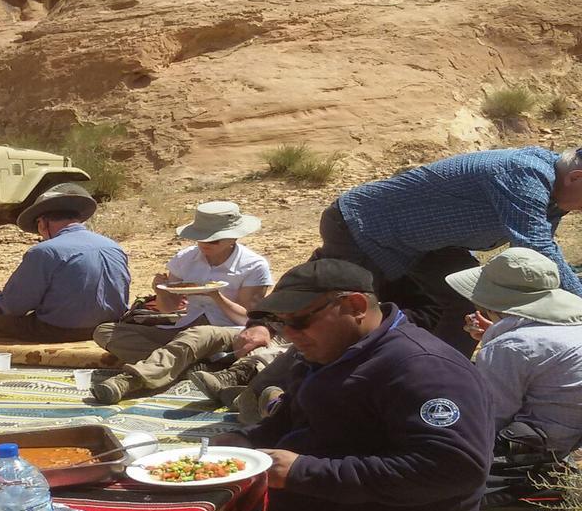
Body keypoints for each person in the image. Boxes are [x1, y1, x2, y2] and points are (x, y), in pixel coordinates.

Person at [216, 259, 492, 511]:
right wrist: (236, 444)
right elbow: (285, 423)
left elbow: (451, 468)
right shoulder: (328, 352)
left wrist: (303, 472)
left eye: (300, 321)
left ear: (356, 306)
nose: (291, 334)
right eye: (282, 324)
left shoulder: (424, 369)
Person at [234, 146, 582, 359]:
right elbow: (538, 247)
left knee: (461, 300)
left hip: (426, 244)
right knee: (346, 315)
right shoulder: (525, 174)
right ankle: (269, 372)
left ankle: (440, 375)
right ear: (576, 177)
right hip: (364, 227)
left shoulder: (553, 194)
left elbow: (537, 266)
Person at [90, 201, 278, 404]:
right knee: (106, 331)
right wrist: (160, 291)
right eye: (200, 238)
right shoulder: (185, 258)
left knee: (195, 335)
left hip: (229, 329)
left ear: (233, 237)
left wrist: (217, 296)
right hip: (187, 324)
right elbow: (168, 308)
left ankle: (131, 380)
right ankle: (186, 366)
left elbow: (249, 317)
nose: (205, 243)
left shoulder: (253, 265)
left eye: (213, 240)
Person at [447, 248, 582, 511]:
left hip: (538, 453)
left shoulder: (509, 346)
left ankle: (538, 493)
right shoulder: (569, 328)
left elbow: (488, 424)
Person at [0, 183, 131, 342]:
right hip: (107, 329)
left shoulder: (45, 252)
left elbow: (12, 307)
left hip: (57, 331)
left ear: (43, 223)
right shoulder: (114, 246)